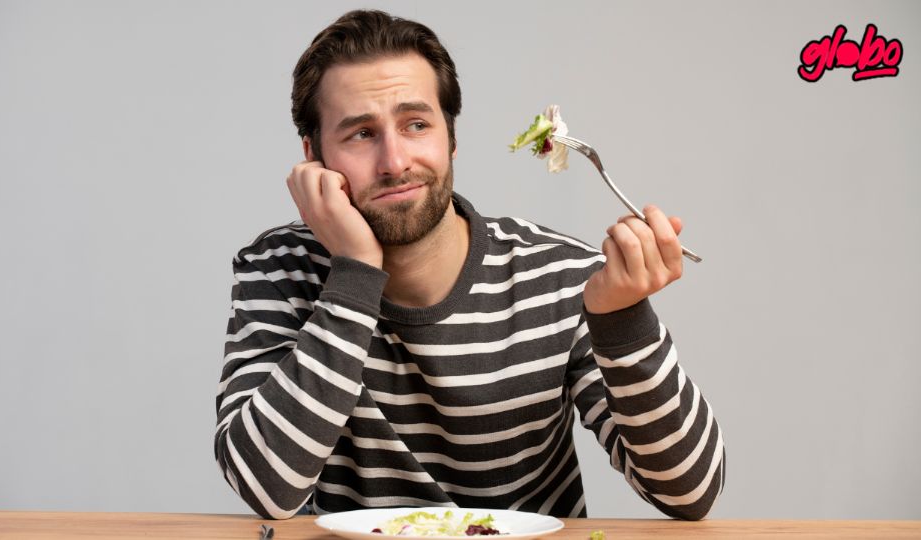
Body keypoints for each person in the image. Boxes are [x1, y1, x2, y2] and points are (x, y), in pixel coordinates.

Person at [215, 9, 725, 521]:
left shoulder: (563, 276)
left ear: (452, 138)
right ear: (313, 158)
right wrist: (355, 273)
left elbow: (690, 492)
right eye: (361, 134)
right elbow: (266, 488)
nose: (394, 162)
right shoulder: (279, 270)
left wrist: (623, 318)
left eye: (416, 125)